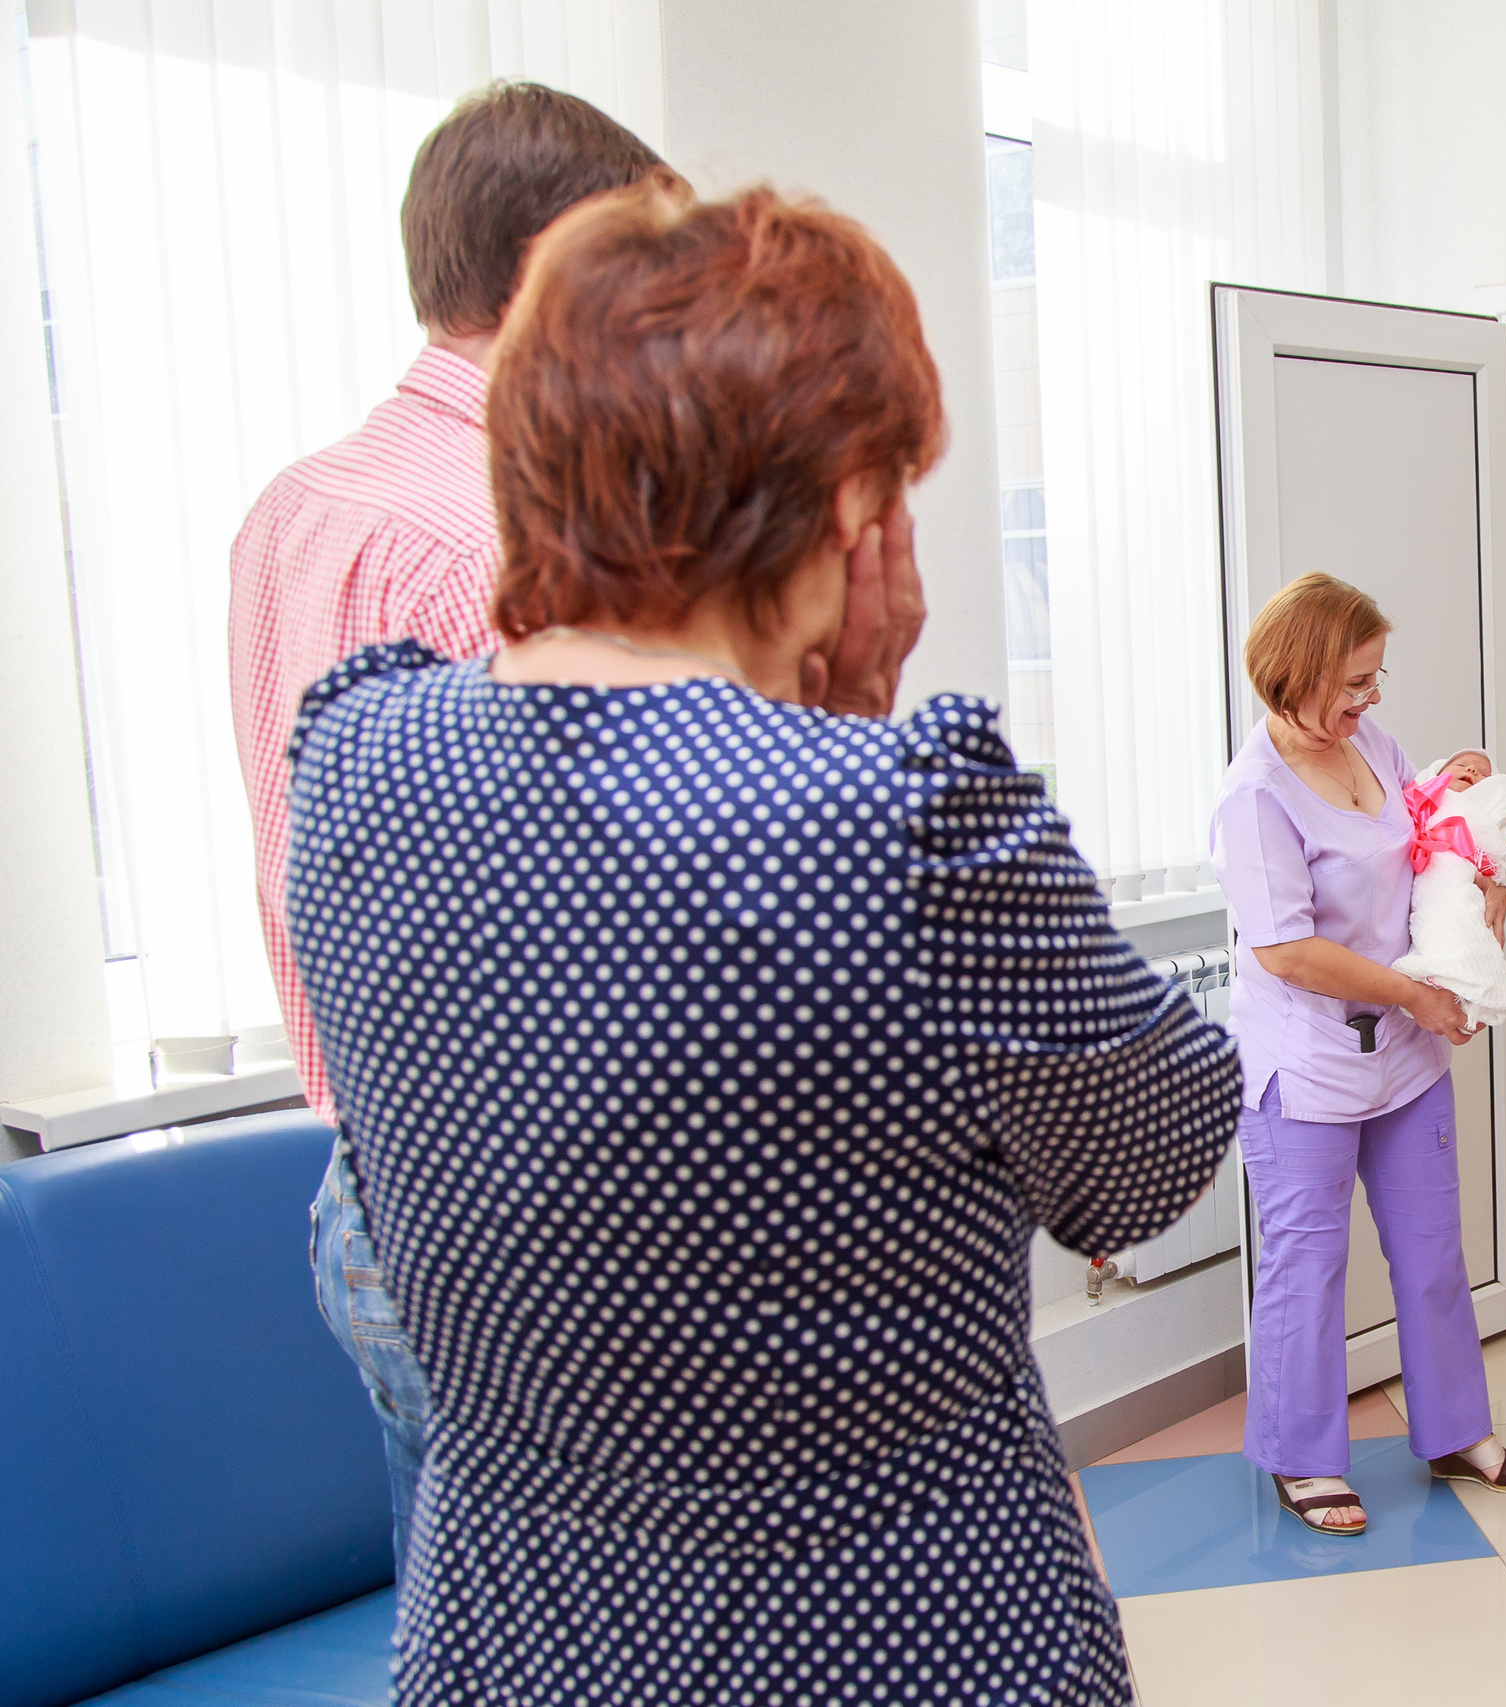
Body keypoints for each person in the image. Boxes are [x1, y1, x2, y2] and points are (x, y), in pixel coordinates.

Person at [286, 180, 1238, 1704]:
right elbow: (1147, 1161)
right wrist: (845, 729)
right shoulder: (910, 814)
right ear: (849, 506)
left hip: (515, 1630)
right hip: (892, 1627)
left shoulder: (356, 756)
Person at [226, 82, 666, 1580]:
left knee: (466, 1624)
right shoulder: (509, 532)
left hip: (370, 1197)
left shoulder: (292, 512)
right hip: (541, 1218)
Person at [1208, 573, 1506, 1537]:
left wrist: (1486, 895)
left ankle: (1454, 1431)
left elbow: (1433, 838)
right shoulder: (1254, 795)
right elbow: (1288, 951)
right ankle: (1302, 1458)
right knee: (1307, 1266)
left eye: (1375, 677)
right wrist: (1419, 995)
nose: (1371, 699)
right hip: (1302, 1063)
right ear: (1296, 673)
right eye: (1354, 681)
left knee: (1434, 1252)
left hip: (1402, 1052)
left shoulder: (1375, 748)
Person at [1392, 747, 1506, 1028]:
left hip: (1457, 872)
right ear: (1435, 774)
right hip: (1427, 870)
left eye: (1483, 774)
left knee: (1459, 913)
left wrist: (1501, 880)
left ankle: (1464, 980)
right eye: (1461, 764)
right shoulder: (1418, 800)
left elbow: (1499, 847)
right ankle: (1449, 973)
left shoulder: (1480, 814)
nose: (1472, 771)